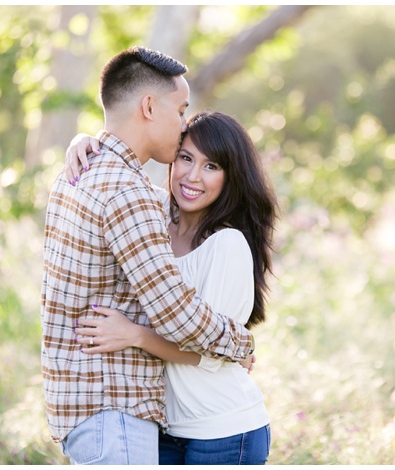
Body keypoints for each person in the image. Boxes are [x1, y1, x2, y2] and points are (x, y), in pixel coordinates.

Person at [41, 46, 256, 466]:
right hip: (112, 406)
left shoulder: (74, 175)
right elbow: (175, 312)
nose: (182, 126)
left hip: (83, 405)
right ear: (148, 107)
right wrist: (241, 343)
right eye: (180, 111)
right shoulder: (128, 192)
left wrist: (82, 140)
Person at [67, 111, 278, 465]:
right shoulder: (154, 216)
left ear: (230, 177)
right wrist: (83, 143)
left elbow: (212, 354)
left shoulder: (227, 245)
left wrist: (134, 335)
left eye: (212, 166)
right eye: (186, 158)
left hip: (224, 431)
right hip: (166, 428)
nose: (193, 176)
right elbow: (117, 178)